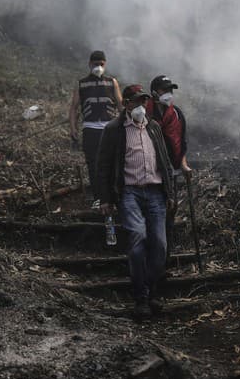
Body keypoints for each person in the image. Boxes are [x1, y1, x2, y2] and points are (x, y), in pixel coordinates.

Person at [95, 84, 174, 320]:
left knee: (160, 245)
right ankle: (142, 298)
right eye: (136, 102)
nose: (141, 106)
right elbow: (104, 166)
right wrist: (106, 198)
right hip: (130, 193)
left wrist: (170, 194)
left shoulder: (154, 128)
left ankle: (150, 291)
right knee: (138, 238)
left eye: (144, 102)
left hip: (156, 192)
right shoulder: (114, 129)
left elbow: (164, 160)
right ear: (126, 104)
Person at [68, 50, 122, 209]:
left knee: (113, 162)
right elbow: (74, 108)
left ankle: (113, 197)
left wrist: (126, 123)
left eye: (101, 64)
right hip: (90, 128)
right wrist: (73, 128)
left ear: (105, 65)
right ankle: (99, 198)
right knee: (94, 164)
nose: (98, 66)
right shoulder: (82, 83)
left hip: (110, 128)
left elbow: (120, 104)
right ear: (89, 64)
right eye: (95, 64)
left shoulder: (112, 82)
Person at [147, 74, 192, 181]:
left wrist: (183, 165)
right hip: (150, 171)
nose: (169, 94)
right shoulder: (145, 113)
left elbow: (181, 142)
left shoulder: (176, 113)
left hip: (171, 169)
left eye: (170, 90)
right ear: (154, 92)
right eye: (164, 90)